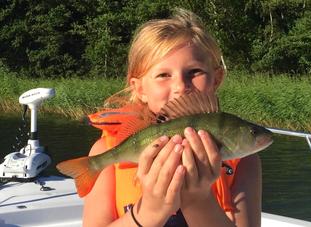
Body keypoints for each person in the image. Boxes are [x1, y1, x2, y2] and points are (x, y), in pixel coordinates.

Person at [83, 9, 262, 227]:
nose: (180, 87)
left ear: (216, 79)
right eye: (163, 75)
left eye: (194, 72)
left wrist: (198, 199)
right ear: (139, 89)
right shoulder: (106, 152)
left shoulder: (243, 159)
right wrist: (150, 211)